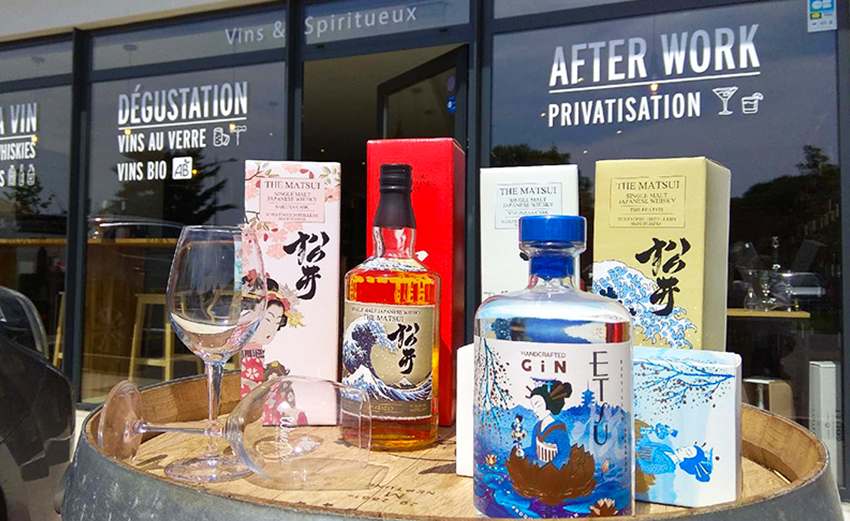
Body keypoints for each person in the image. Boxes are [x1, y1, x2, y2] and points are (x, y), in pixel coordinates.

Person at [241, 277, 290, 395]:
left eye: (277, 323)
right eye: (268, 320)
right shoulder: (238, 346)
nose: (272, 330)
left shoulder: (257, 350)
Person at [527, 381, 572, 468]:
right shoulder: (537, 427)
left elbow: (564, 453)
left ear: (549, 404)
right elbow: (533, 449)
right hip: (539, 466)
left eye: (538, 405)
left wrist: (550, 467)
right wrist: (523, 452)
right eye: (533, 407)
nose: (535, 411)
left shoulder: (559, 429)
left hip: (554, 469)